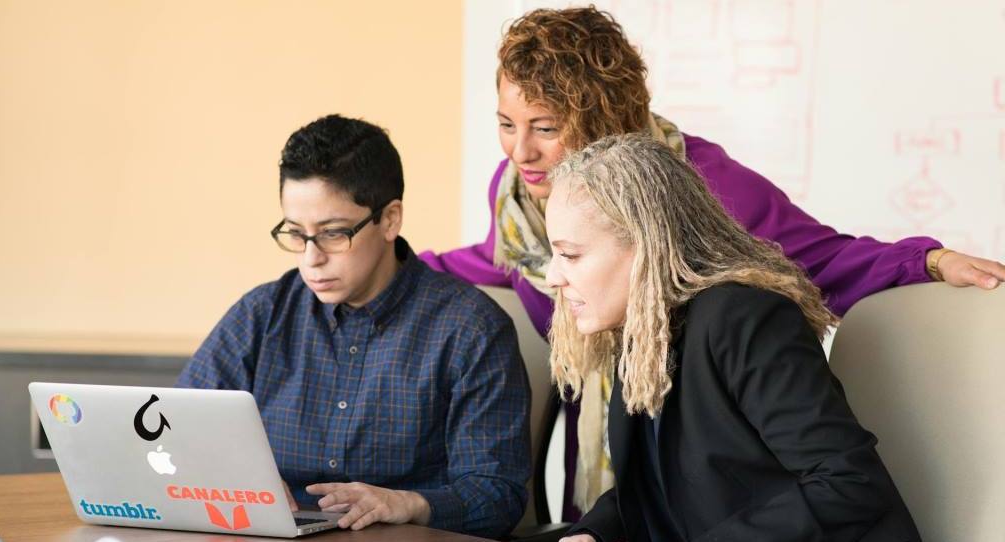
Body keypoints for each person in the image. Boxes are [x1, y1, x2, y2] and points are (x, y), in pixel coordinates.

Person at [418, 5, 1005, 521]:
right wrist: (396, 265)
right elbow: (501, 260)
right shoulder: (521, 190)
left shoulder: (705, 190)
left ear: (601, 119)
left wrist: (929, 262)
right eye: (505, 124)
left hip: (718, 477)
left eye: (545, 128)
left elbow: (823, 258)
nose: (520, 150)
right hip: (631, 454)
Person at [548, 133, 921, 542]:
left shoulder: (744, 318)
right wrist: (594, 535)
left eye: (570, 255)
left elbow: (848, 485)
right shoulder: (643, 331)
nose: (552, 276)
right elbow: (657, 490)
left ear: (646, 246)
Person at [176, 114, 531, 539]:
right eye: (296, 234)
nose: (311, 258)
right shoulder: (262, 314)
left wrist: (407, 504)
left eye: (333, 234)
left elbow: (498, 495)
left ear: (390, 220)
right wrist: (234, 487)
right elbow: (179, 431)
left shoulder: (471, 330)